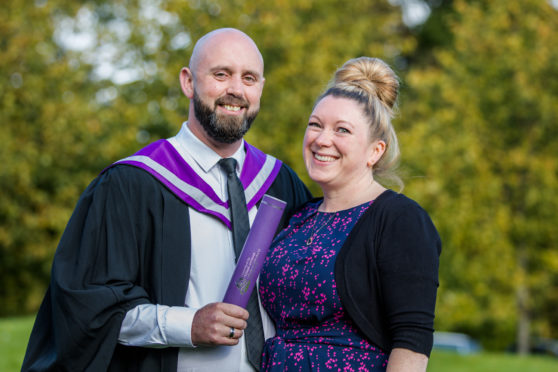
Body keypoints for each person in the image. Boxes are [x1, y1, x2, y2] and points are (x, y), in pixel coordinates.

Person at [22, 28, 312, 372]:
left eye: (248, 78)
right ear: (188, 82)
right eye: (221, 74)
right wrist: (186, 325)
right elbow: (89, 309)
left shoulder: (281, 183)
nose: (236, 89)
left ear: (260, 88)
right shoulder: (131, 184)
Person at [258, 57, 441, 371]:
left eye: (342, 130)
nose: (322, 139)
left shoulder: (399, 220)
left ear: (375, 151)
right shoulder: (298, 217)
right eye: (315, 125)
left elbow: (411, 343)